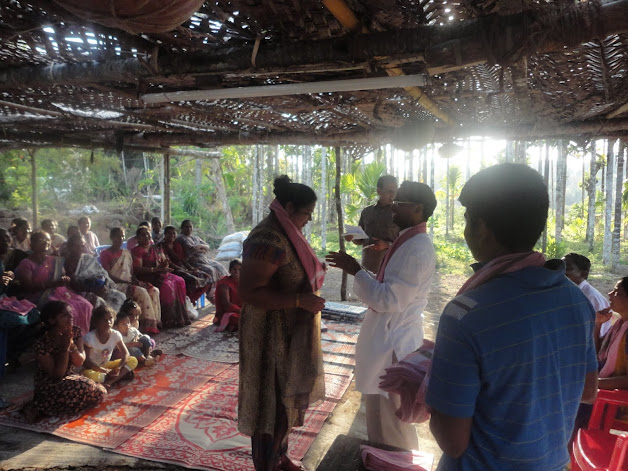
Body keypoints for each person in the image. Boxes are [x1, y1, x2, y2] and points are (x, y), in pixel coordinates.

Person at [425, 163, 598, 471]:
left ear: (481, 227)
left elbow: (452, 441)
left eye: (466, 219)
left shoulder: (465, 315)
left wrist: (429, 383)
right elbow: (587, 391)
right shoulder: (576, 300)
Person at [327, 180, 437, 450]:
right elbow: (389, 286)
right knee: (380, 419)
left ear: (418, 208)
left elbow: (390, 299)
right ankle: (385, 459)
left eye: (399, 203)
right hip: (389, 335)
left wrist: (355, 270)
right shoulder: (408, 241)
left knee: (392, 425)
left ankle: (395, 463)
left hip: (394, 341)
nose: (393, 208)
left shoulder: (416, 247)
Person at [238, 175, 326, 471]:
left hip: (288, 332)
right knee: (270, 403)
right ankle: (267, 463)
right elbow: (249, 292)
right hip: (267, 336)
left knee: (286, 396)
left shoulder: (288, 233)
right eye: (306, 214)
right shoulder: (267, 239)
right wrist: (300, 300)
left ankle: (279, 456)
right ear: (288, 207)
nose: (309, 220)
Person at [22, 301, 106, 422]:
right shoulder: (41, 342)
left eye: (70, 313)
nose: (71, 317)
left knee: (100, 392)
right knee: (82, 387)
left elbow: (80, 361)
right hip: (50, 385)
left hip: (70, 379)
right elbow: (57, 375)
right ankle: (39, 407)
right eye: (64, 315)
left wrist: (71, 345)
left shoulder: (75, 332)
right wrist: (65, 348)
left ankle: (47, 409)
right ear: (51, 320)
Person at [14, 231, 94, 335]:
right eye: (41, 240)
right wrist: (53, 284)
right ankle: (65, 338)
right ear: (32, 243)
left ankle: (79, 338)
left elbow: (63, 276)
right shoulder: (26, 263)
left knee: (86, 305)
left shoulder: (54, 260)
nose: (45, 242)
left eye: (48, 240)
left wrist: (65, 279)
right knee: (70, 311)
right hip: (39, 296)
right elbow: (28, 288)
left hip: (60, 292)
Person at [100, 227, 161, 334]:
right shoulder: (105, 253)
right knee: (142, 292)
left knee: (154, 290)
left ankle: (156, 322)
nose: (120, 239)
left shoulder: (127, 253)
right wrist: (125, 282)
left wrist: (134, 281)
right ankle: (147, 326)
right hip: (116, 284)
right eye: (117, 236)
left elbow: (131, 273)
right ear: (112, 237)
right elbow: (108, 274)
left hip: (128, 282)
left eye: (122, 236)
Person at [131, 227, 189, 328]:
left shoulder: (156, 248)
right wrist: (154, 270)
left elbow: (164, 261)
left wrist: (165, 265)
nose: (146, 236)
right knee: (167, 286)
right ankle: (168, 320)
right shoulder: (137, 250)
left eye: (148, 234)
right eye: (143, 235)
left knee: (180, 281)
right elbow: (137, 269)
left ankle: (180, 318)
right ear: (138, 238)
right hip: (147, 276)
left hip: (160, 273)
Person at [344, 175, 399, 273]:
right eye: (389, 191)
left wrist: (386, 245)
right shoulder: (367, 212)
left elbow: (406, 244)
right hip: (367, 268)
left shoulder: (399, 214)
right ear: (379, 191)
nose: (393, 195)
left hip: (390, 270)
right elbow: (360, 241)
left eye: (395, 191)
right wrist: (352, 237)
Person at [63, 234, 126, 311]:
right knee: (98, 302)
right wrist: (95, 290)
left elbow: (103, 274)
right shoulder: (67, 262)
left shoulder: (88, 259)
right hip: (81, 291)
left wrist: (104, 286)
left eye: (82, 246)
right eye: (76, 246)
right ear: (69, 247)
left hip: (98, 288)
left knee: (120, 296)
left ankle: (112, 317)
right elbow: (74, 285)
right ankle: (103, 317)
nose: (80, 249)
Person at [82, 305, 138, 388]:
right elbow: (86, 362)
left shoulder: (115, 334)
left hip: (106, 365)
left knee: (133, 360)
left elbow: (126, 354)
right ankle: (118, 376)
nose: (108, 322)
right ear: (96, 322)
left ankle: (110, 381)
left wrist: (119, 367)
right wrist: (103, 370)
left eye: (110, 318)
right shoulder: (89, 338)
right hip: (93, 369)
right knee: (87, 375)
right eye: (104, 320)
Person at [176, 220, 228, 299]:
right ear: (182, 228)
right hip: (194, 262)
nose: (189, 229)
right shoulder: (181, 238)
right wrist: (201, 249)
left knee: (220, 267)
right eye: (186, 227)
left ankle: (224, 290)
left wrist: (199, 246)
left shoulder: (195, 238)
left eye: (190, 227)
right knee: (211, 270)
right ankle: (212, 295)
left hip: (204, 260)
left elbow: (207, 246)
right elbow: (190, 249)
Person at [158, 225, 211, 303]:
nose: (172, 235)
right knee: (192, 280)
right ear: (165, 235)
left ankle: (191, 299)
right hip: (172, 270)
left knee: (207, 277)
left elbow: (182, 259)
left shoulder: (177, 244)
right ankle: (186, 301)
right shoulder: (161, 246)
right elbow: (169, 263)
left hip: (182, 268)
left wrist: (191, 268)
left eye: (173, 233)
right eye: (169, 233)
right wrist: (186, 271)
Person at [564, 252, 612, 337]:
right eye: (560, 268)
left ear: (583, 274)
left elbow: (599, 333)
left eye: (567, 268)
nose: (561, 272)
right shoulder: (565, 292)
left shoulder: (591, 297)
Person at [214, 259, 242, 332]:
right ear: (229, 271)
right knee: (241, 318)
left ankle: (234, 326)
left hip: (241, 311)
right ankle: (230, 324)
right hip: (228, 312)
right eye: (234, 269)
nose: (237, 271)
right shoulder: (224, 283)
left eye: (239, 269)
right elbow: (226, 305)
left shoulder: (244, 282)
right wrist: (243, 312)